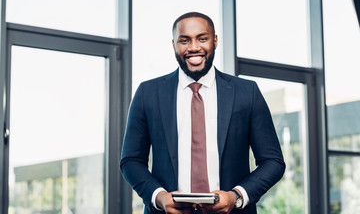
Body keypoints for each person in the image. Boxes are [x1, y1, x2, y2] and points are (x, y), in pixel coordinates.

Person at [120, 12, 285, 214]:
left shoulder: (247, 92)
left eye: (202, 38)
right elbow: (131, 161)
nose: (194, 47)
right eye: (184, 40)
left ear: (215, 41)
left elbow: (273, 161)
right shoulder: (148, 93)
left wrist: (236, 197)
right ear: (174, 45)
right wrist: (160, 197)